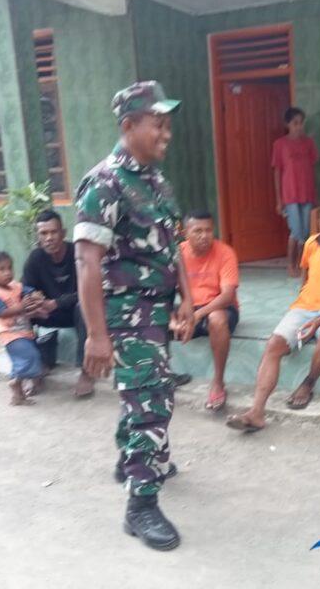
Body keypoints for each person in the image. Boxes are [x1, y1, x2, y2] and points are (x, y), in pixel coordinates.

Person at [74, 81, 195, 552]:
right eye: (157, 124)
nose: (167, 133)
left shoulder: (156, 182)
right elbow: (87, 262)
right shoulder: (104, 182)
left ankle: (132, 459)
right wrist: (96, 336)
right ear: (128, 125)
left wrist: (186, 298)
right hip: (124, 314)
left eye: (168, 124)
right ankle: (140, 505)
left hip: (156, 310)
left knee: (146, 393)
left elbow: (173, 246)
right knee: (152, 402)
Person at [226, 202, 320, 432]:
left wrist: (318, 321)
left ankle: (308, 382)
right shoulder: (312, 243)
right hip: (305, 307)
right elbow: (306, 272)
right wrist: (306, 300)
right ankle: (256, 412)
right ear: (319, 225)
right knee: (274, 344)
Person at [22, 210, 94, 398]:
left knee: (84, 307)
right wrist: (32, 300)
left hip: (73, 312)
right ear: (38, 236)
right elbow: (25, 288)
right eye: (43, 233)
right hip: (47, 313)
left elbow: (89, 290)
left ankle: (86, 372)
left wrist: (56, 303)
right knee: (21, 312)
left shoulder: (77, 254)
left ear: (63, 233)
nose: (49, 238)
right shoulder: (35, 258)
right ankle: (35, 369)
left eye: (53, 232)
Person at [173, 211, 239, 411]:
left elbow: (227, 296)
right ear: (185, 233)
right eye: (198, 231)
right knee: (148, 314)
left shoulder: (225, 252)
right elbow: (163, 291)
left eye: (208, 230)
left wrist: (198, 315)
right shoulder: (177, 253)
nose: (204, 236)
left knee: (216, 318)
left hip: (219, 307)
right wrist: (171, 319)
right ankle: (162, 373)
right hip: (189, 309)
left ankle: (218, 382)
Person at [0, 250, 44, 406]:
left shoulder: (15, 286)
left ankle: (18, 396)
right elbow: (0, 313)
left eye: (10, 268)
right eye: (1, 269)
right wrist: (21, 307)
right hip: (9, 334)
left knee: (23, 359)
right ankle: (16, 380)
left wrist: (35, 295)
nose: (7, 272)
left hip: (24, 331)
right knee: (30, 356)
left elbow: (27, 290)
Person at [271, 106, 319, 277]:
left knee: (305, 233)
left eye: (301, 123)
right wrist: (279, 200)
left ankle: (302, 264)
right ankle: (291, 264)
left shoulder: (309, 143)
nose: (299, 126)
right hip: (290, 196)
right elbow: (277, 172)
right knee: (296, 232)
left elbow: (312, 170)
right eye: (295, 123)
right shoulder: (280, 144)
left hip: (307, 194)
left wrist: (314, 195)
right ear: (288, 124)